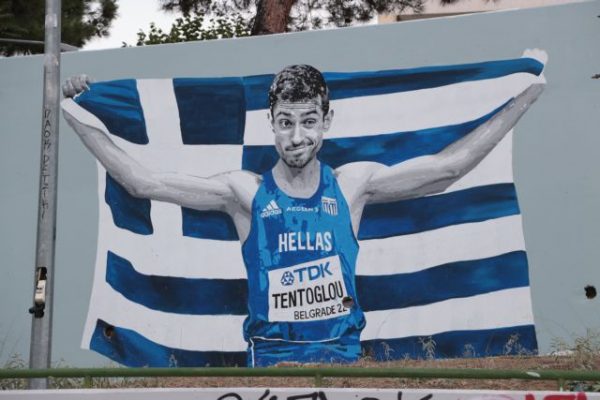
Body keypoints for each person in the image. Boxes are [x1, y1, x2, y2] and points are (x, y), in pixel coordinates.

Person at [62, 64, 544, 367]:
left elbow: (447, 169)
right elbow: (144, 183)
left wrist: (523, 95)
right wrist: (75, 113)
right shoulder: (245, 193)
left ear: (326, 121)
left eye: (308, 121)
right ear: (271, 124)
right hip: (271, 364)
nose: (297, 137)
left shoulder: (352, 186)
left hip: (345, 362)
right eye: (286, 123)